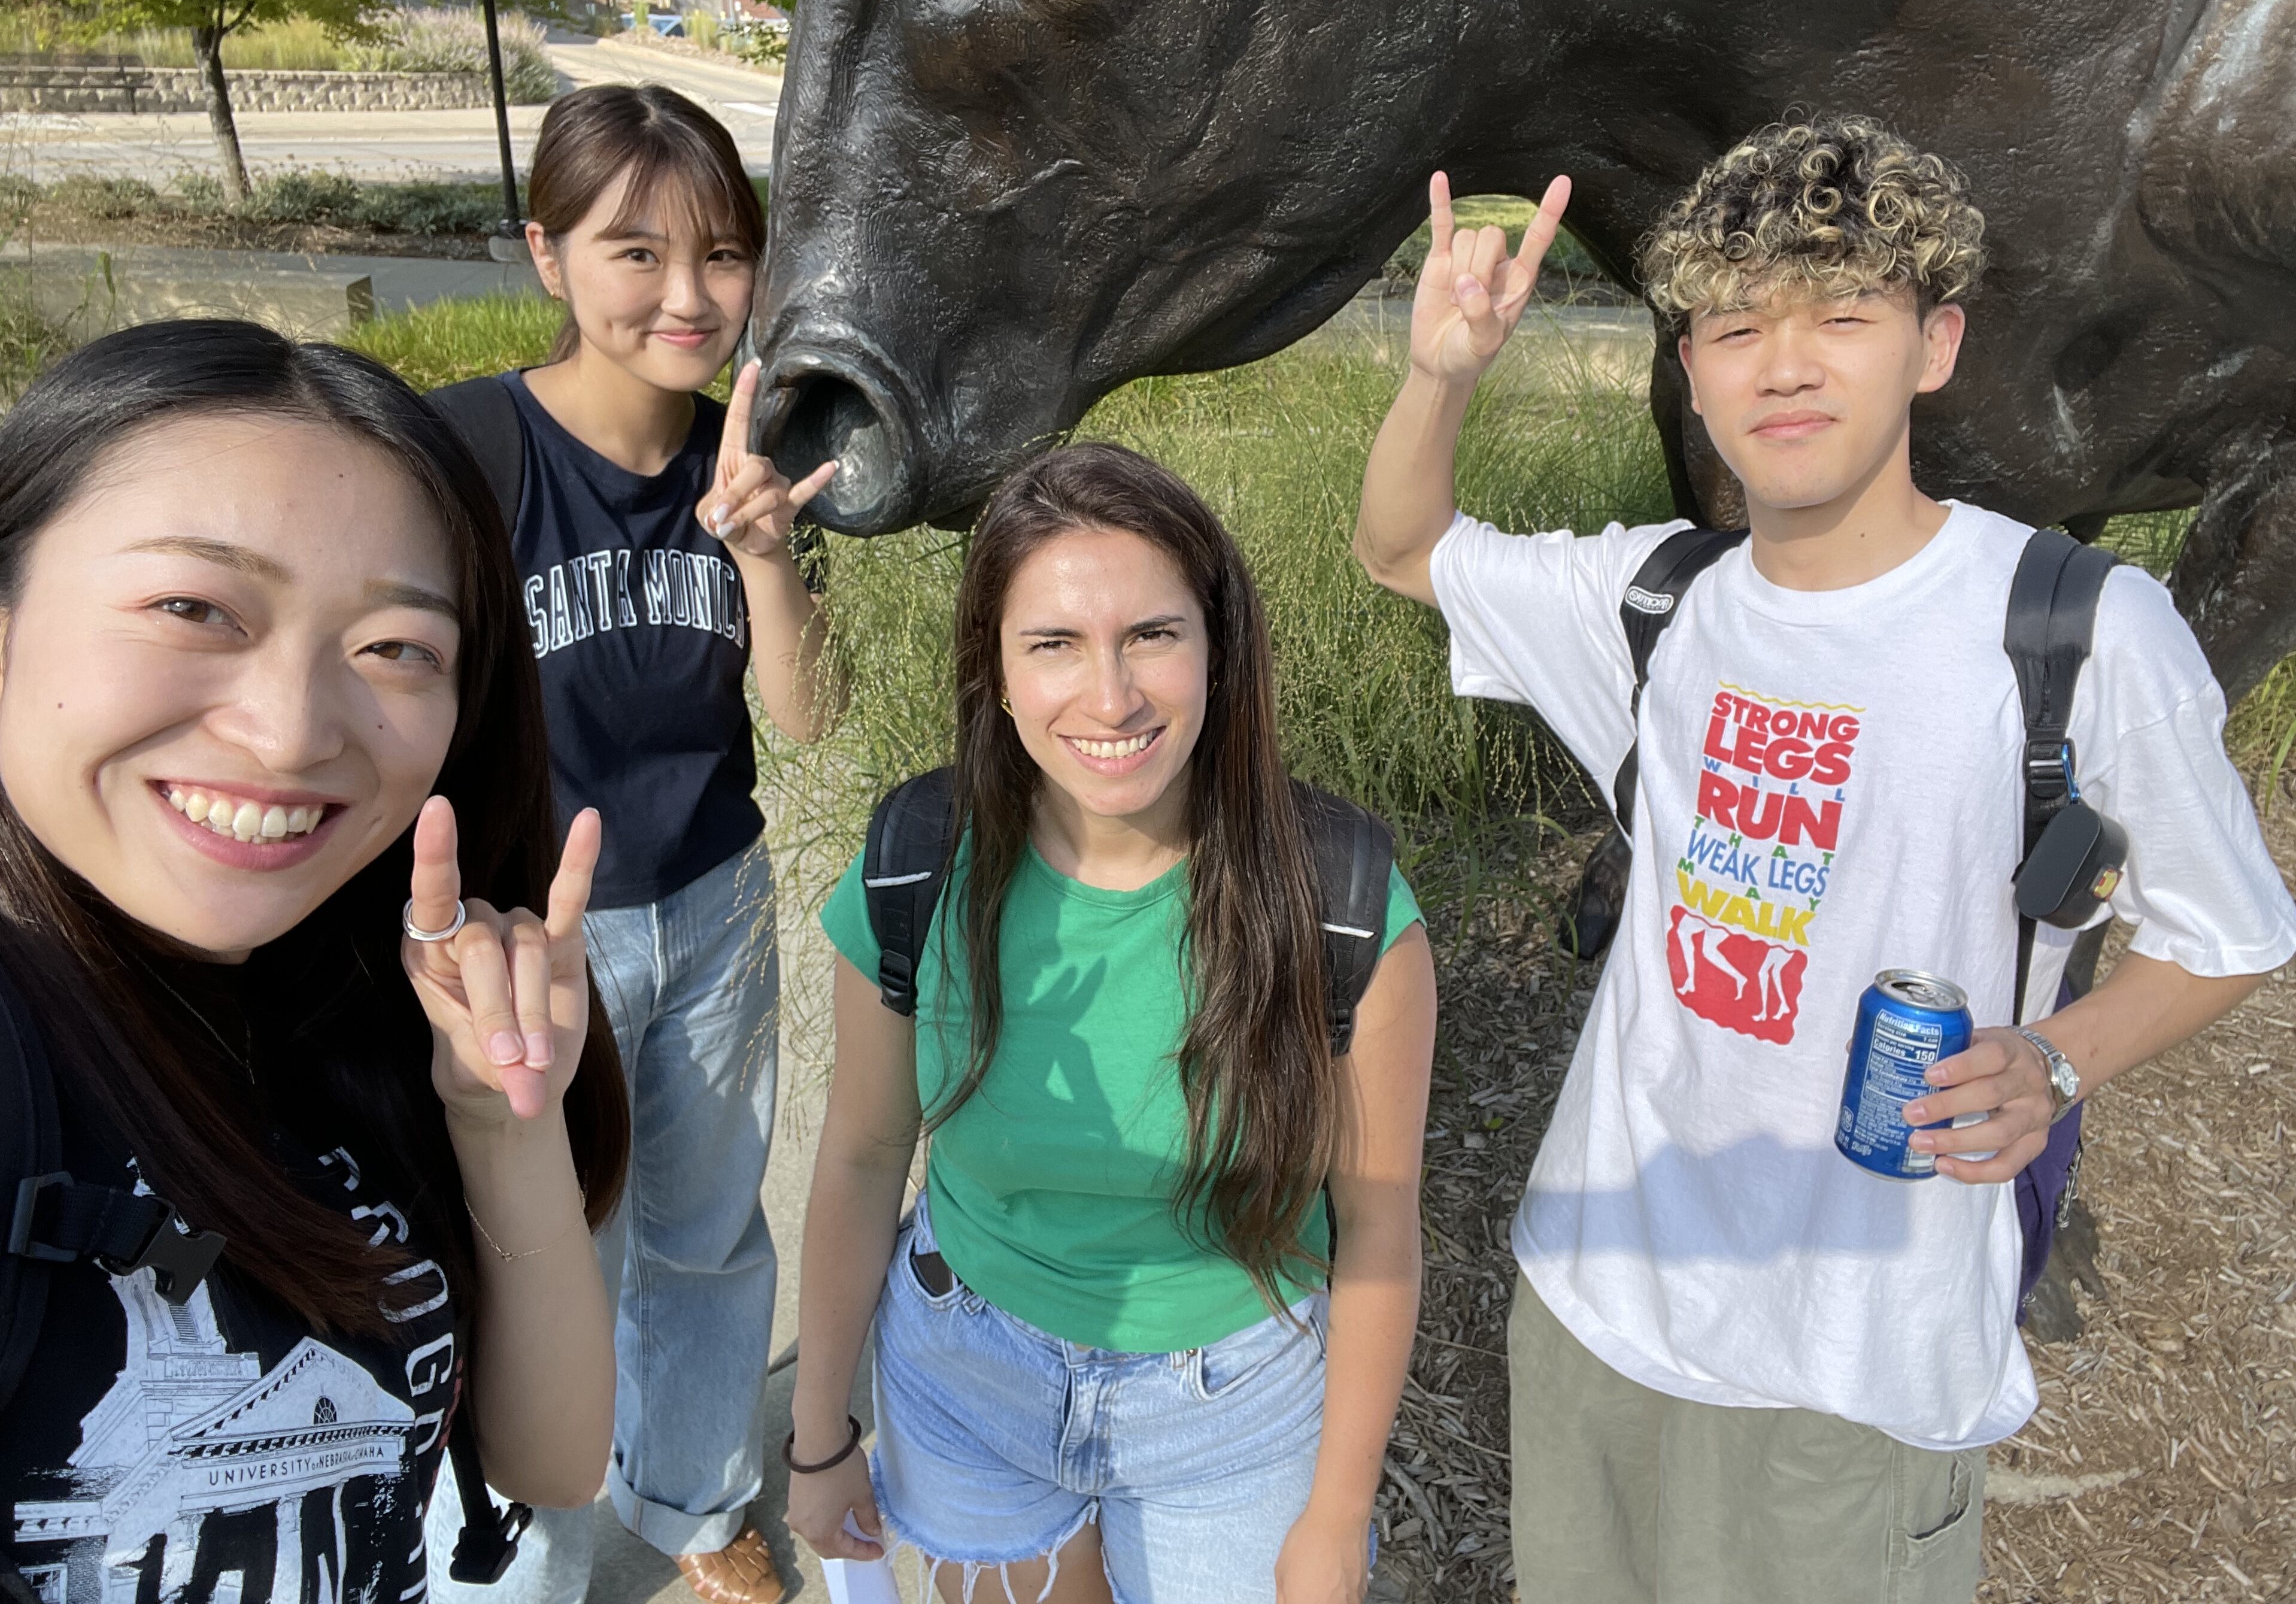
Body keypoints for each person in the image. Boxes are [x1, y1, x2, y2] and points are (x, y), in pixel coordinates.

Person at [1352, 118, 2296, 1604]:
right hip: (1599, 1307)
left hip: (1858, 1353)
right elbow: (1407, 550)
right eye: (1734, 329)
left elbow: (2234, 930)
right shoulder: (1655, 602)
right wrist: (1441, 373)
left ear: (1936, 344)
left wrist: (2057, 1060)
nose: (1782, 368)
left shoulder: (2077, 630)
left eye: (1841, 317)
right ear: (1691, 371)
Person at [0, 319, 630, 1602]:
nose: (290, 735)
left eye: (397, 648)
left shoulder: (353, 1000)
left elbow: (551, 1464)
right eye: (194, 608)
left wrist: (501, 1121)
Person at [784, 443, 1437, 1604]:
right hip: (964, 1374)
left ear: (1218, 645)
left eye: (1153, 635)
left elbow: (1377, 1225)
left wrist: (1338, 1515)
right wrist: (820, 1431)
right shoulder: (916, 865)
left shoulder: (1337, 902)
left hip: (1235, 1412)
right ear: (992, 668)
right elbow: (863, 1155)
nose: (1111, 695)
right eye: (1055, 644)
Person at [421, 82, 842, 1604]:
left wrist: (768, 556)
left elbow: (801, 722)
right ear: (547, 255)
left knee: (710, 1234)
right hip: (537, 938)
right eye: (635, 251)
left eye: (724, 255)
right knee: (548, 1257)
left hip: (715, 900)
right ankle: (520, 1559)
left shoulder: (753, 459)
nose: (688, 295)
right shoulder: (469, 453)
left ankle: (693, 1500)